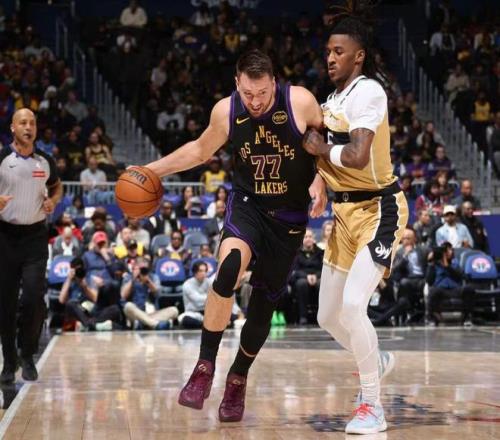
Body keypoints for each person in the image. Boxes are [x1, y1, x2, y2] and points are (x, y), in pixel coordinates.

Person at [143, 49, 326, 422]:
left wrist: (322, 179)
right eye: (248, 93)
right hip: (248, 204)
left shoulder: (301, 102)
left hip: (289, 215)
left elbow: (327, 142)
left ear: (274, 82)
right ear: (237, 84)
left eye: (262, 93)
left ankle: (238, 377)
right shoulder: (226, 111)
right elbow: (199, 150)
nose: (255, 102)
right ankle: (204, 366)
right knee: (227, 270)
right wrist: (151, 170)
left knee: (262, 305)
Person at [301, 12, 409, 434]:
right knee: (328, 316)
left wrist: (321, 151)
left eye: (338, 51)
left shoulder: (369, 92)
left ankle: (372, 407)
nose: (330, 58)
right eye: (328, 51)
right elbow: (323, 153)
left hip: (379, 209)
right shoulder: (330, 102)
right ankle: (376, 359)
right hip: (343, 214)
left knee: (352, 305)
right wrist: (318, 177)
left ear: (358, 56)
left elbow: (359, 156)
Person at [0, 108, 62, 383]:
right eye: (23, 123)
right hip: (5, 237)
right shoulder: (2, 159)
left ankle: (27, 354)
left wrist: (53, 201)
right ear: (12, 128)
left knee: (33, 298)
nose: (28, 127)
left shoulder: (45, 161)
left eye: (32, 123)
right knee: (6, 302)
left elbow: (57, 186)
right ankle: (9, 360)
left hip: (36, 236)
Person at [121, 257, 179, 330]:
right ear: (135, 268)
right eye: (141, 269)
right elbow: (123, 295)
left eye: (145, 269)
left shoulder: (153, 277)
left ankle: (144, 323)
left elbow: (158, 294)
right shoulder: (128, 277)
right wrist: (133, 279)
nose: (143, 271)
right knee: (128, 306)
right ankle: (155, 324)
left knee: (174, 310)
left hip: (152, 313)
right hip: (135, 313)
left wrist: (148, 281)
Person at [426, 242, 475, 326]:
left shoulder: (455, 263)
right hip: (440, 290)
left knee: (469, 289)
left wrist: (447, 266)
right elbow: (429, 281)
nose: (447, 252)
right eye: (445, 251)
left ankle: (467, 317)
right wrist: (430, 263)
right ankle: (431, 318)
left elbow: (461, 276)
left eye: (449, 250)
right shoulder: (434, 265)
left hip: (455, 289)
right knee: (433, 291)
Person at [289, 228, 323, 325]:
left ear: (314, 238)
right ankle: (303, 316)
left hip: (317, 277)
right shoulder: (296, 253)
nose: (308, 239)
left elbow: (323, 269)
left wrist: (316, 276)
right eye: (306, 237)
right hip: (301, 278)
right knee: (301, 284)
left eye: (310, 236)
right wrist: (306, 276)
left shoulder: (320, 252)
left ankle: (320, 317)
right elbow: (294, 271)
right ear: (302, 239)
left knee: (321, 284)